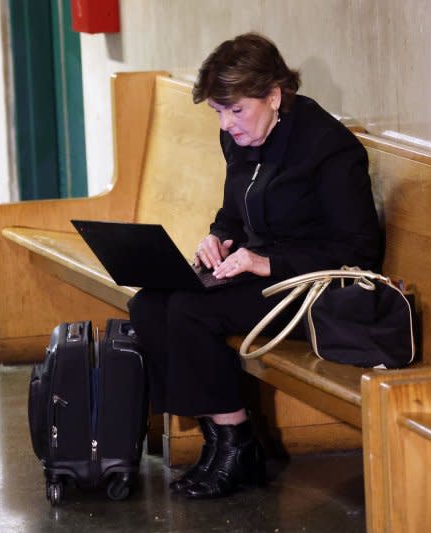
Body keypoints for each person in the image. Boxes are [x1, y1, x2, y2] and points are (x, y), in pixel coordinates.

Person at [128, 32, 382, 499]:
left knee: (191, 309)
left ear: (274, 94)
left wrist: (267, 262)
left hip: (314, 287)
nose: (227, 125)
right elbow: (233, 213)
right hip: (260, 272)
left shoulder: (329, 148)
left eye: (236, 110)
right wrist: (218, 239)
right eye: (218, 113)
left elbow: (359, 251)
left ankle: (238, 446)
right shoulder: (242, 137)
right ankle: (217, 437)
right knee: (148, 303)